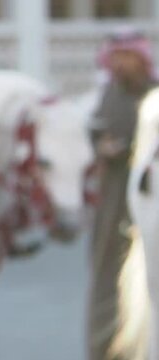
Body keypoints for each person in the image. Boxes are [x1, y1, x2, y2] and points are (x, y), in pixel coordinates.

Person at [88, 28, 156, 360]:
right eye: (115, 56)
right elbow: (95, 133)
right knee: (107, 276)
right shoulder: (109, 94)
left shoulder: (153, 97)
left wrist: (128, 148)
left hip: (149, 199)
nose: (120, 63)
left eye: (126, 56)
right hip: (112, 203)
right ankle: (103, 348)